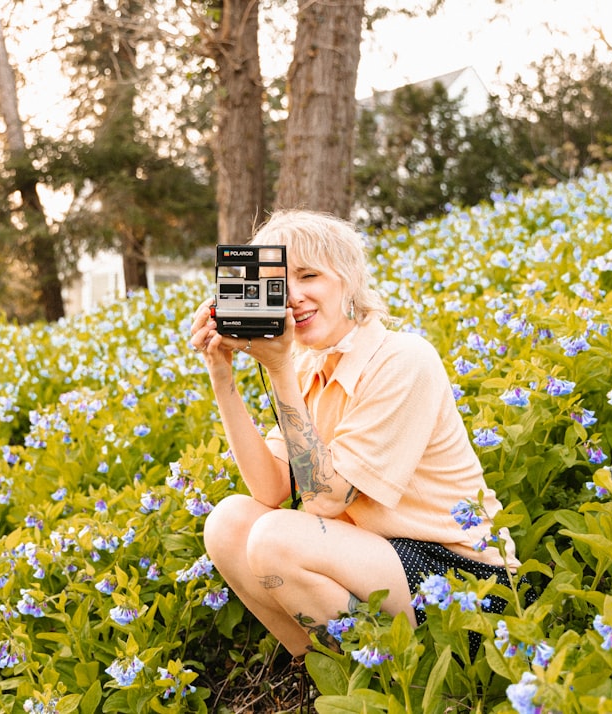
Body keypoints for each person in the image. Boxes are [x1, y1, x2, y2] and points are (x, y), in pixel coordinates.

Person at [188, 209, 521, 659]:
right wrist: (221, 375)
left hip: (465, 582)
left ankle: (404, 681)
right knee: (228, 523)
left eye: (309, 275)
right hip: (377, 559)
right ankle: (336, 681)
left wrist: (280, 367)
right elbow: (268, 490)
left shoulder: (403, 359)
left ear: (347, 280)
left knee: (274, 539)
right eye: (278, 284)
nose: (294, 297)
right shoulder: (308, 366)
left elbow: (325, 500)